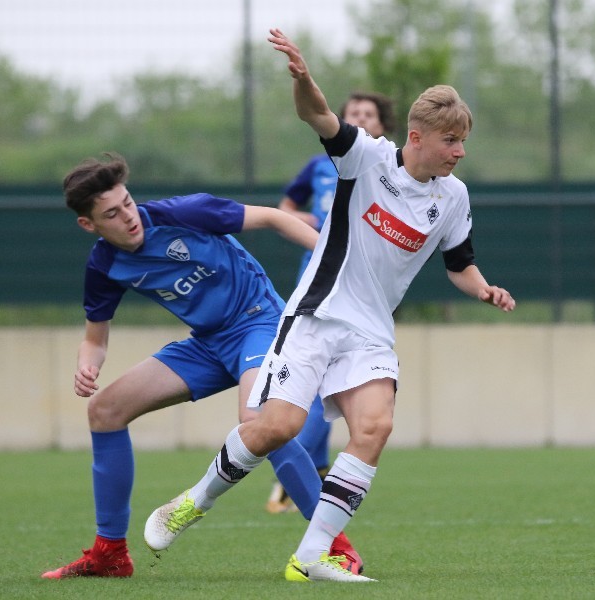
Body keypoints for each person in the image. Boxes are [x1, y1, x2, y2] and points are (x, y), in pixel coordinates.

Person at [143, 28, 516, 583]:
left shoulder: (453, 196)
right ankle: (192, 502)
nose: (460, 151)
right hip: (316, 318)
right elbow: (318, 116)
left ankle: (312, 555)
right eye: (451, 141)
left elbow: (459, 265)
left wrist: (484, 287)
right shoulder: (365, 159)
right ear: (416, 137)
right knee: (277, 427)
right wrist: (303, 79)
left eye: (463, 140)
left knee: (375, 427)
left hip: (369, 334)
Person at [41, 152, 363, 579]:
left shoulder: (184, 212)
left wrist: (333, 255)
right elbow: (94, 338)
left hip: (259, 321)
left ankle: (334, 546)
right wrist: (87, 365)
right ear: (89, 224)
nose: (128, 217)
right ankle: (110, 555)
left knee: (259, 420)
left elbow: (272, 217)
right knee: (104, 411)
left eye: (128, 203)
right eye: (112, 214)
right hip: (207, 344)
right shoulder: (104, 265)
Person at [266, 90, 397, 514]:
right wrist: (304, 219)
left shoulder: (389, 170)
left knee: (338, 387)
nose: (359, 119)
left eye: (368, 114)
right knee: (313, 384)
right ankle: (302, 472)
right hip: (317, 285)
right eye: (352, 113)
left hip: (361, 292)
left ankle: (307, 472)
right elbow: (286, 204)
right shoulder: (321, 166)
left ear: (383, 125)